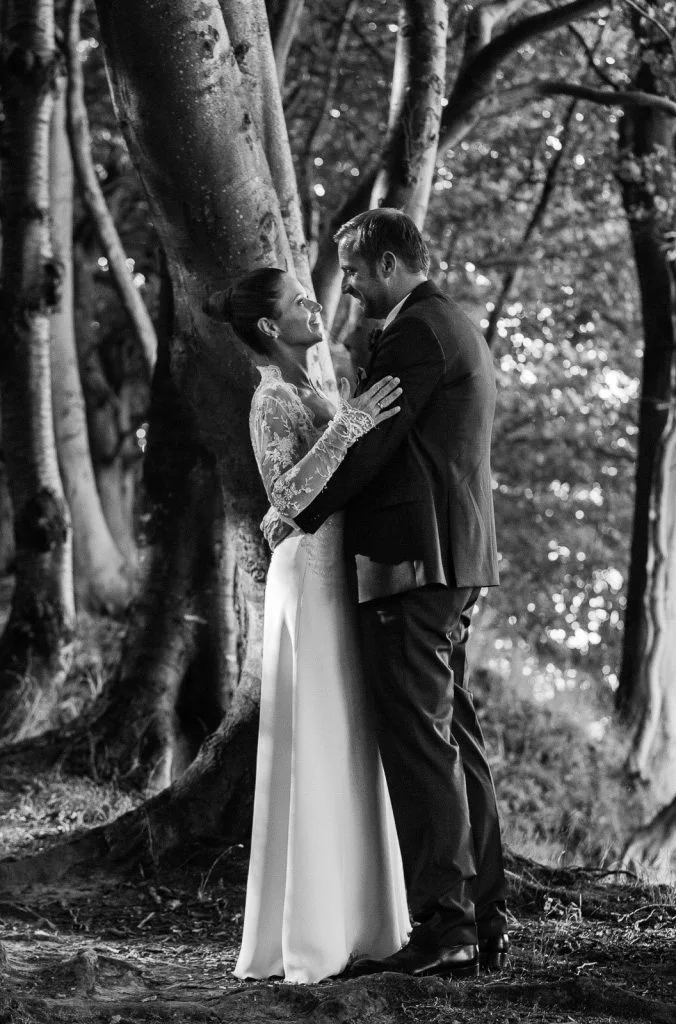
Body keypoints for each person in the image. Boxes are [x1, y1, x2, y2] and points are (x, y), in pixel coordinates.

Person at [294, 209, 509, 979]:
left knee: (420, 746)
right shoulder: (450, 323)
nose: (346, 287)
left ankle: (446, 927)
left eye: (352, 270)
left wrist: (298, 514)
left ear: (387, 263)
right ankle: (483, 917)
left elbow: (370, 441)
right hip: (450, 562)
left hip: (412, 564)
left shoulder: (417, 332)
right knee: (455, 743)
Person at [222, 267, 411, 984]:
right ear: (271, 328)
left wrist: (351, 418)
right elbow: (287, 494)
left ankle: (363, 920)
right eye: (299, 301)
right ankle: (309, 934)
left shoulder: (320, 384)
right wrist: (350, 425)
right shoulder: (270, 399)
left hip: (343, 568)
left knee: (351, 736)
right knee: (317, 738)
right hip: (309, 573)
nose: (314, 303)